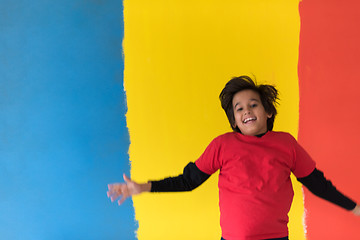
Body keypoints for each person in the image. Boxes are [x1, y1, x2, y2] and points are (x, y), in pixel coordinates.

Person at [107, 75, 360, 240]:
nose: (246, 111)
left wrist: (355, 208)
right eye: (239, 108)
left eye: (253, 104)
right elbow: (189, 181)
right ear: (234, 120)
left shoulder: (286, 144)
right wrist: (144, 187)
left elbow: (318, 184)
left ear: (268, 111)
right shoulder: (223, 145)